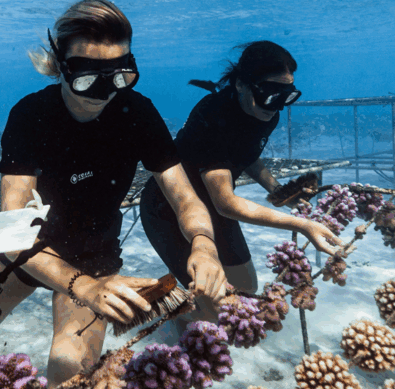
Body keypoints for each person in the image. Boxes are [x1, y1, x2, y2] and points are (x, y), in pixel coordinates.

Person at [0, 0, 228, 387]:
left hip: (95, 255)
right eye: (89, 78)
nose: (105, 92)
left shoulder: (137, 112)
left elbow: (184, 196)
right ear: (60, 67)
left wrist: (205, 244)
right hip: (30, 254)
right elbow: (12, 230)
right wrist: (83, 287)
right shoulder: (30, 116)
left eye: (121, 76)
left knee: (70, 367)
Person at [139, 41, 344, 339]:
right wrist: (301, 224)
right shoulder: (215, 116)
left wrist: (279, 191)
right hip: (168, 210)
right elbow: (226, 203)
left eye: (288, 97)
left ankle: (182, 316)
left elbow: (246, 154)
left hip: (214, 206)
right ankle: (176, 335)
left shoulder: (266, 111)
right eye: (271, 94)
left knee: (246, 290)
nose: (277, 105)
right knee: (214, 309)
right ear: (241, 85)